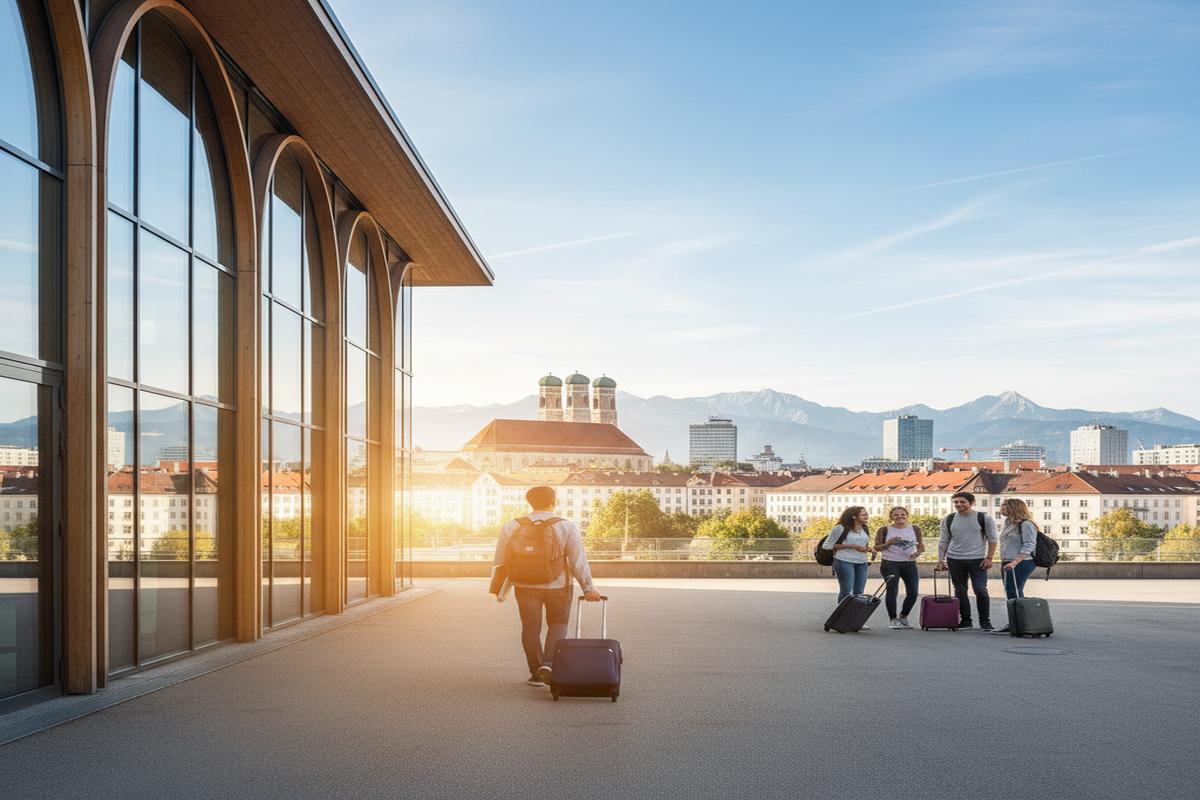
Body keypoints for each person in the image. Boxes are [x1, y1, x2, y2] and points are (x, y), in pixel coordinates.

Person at [493, 485, 602, 688]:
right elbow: (577, 560)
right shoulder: (566, 526)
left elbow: (500, 560)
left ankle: (536, 673)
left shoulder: (512, 526)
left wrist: (501, 590)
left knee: (530, 628)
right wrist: (588, 589)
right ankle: (549, 665)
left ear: (529, 502)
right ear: (554, 502)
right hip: (558, 585)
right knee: (558, 624)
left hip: (524, 585)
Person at [936, 491, 999, 631]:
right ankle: (966, 621)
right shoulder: (949, 519)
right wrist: (941, 560)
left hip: (977, 559)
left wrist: (989, 558)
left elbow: (993, 539)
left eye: (962, 502)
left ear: (971, 503)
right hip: (955, 559)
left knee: (980, 590)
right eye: (956, 502)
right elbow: (943, 541)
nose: (959, 504)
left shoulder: (983, 518)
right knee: (960, 590)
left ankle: (985, 621)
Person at [992, 498, 1040, 635]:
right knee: (1011, 592)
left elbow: (1029, 545)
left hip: (1021, 562)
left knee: (1015, 592)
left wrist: (1015, 562)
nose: (1001, 508)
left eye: (1004, 506)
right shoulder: (1008, 522)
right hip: (1008, 562)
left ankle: (1020, 624)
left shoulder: (1026, 524)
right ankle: (1016, 622)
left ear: (1014, 508)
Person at [822, 506, 873, 625]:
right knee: (846, 591)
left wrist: (869, 549)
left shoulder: (864, 528)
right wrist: (852, 546)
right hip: (844, 561)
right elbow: (827, 545)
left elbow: (863, 544)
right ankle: (841, 618)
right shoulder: (840, 528)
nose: (867, 516)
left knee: (859, 592)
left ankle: (855, 619)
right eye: (863, 515)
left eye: (867, 514)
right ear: (854, 516)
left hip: (862, 562)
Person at [874, 506, 924, 629]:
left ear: (907, 515)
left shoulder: (915, 529)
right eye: (896, 515)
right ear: (891, 517)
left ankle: (903, 616)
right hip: (890, 563)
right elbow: (877, 548)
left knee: (913, 592)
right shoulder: (884, 529)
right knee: (892, 591)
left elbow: (921, 546)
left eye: (902, 514)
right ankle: (892, 619)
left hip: (909, 563)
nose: (900, 517)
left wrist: (917, 553)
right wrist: (889, 543)